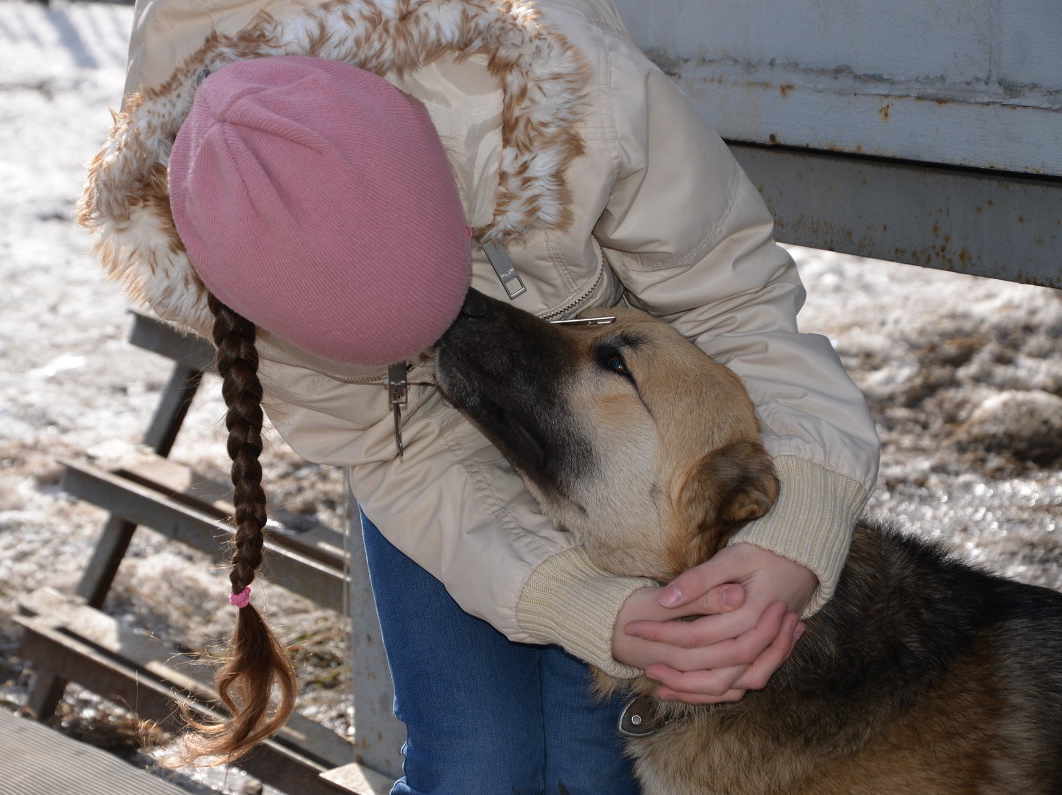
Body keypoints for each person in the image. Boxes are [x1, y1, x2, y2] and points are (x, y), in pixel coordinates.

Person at [78, 0, 880, 792]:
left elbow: (734, 302)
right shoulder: (229, 237)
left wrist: (794, 526)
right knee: (473, 764)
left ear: (458, 191)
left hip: (629, 441)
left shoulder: (577, 98)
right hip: (434, 453)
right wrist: (581, 607)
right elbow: (397, 450)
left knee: (598, 764)